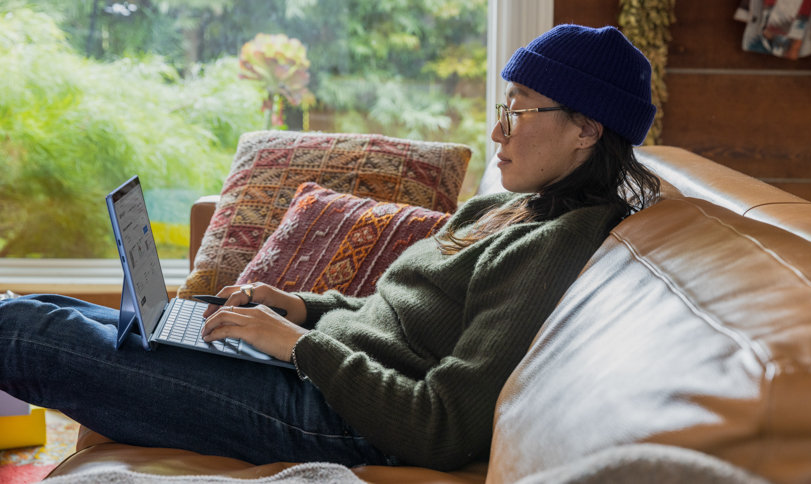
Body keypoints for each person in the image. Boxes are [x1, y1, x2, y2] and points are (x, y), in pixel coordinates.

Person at [0, 24, 660, 471]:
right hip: (316, 371)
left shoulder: (557, 244)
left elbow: (444, 426)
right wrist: (300, 309)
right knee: (61, 312)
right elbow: (396, 316)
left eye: (520, 110)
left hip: (339, 418)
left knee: (25, 332)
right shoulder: (508, 205)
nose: (496, 129)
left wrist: (297, 346)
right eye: (502, 104)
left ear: (585, 130)